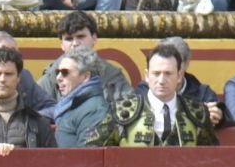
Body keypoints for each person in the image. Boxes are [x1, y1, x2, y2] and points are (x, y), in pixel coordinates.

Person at [90, 43, 218, 147]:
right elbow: (93, 151)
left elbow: (210, 159)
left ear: (179, 76)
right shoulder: (121, 110)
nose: (161, 81)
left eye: (168, 74)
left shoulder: (197, 113)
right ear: (147, 76)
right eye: (156, 73)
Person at [32, 11, 129, 103]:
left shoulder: (112, 75)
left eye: (80, 37)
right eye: (69, 39)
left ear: (94, 38)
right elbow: (37, 111)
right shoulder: (51, 77)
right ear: (61, 44)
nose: (75, 44)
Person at [0, 44, 53, 153]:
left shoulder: (38, 123)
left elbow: (52, 165)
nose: (2, 79)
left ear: (18, 77)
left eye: (8, 74)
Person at [51, 45, 109, 147]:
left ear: (86, 76)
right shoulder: (75, 105)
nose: (58, 78)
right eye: (58, 72)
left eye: (65, 72)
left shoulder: (94, 109)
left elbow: (88, 156)